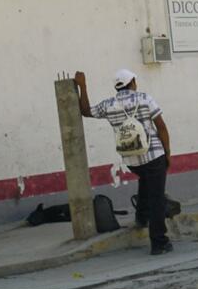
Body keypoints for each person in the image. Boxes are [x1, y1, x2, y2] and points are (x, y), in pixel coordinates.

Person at [74, 69, 174, 255]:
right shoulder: (144, 98)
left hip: (131, 159)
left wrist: (82, 86)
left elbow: (86, 111)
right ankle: (159, 242)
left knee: (145, 181)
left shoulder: (109, 104)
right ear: (133, 82)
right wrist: (167, 152)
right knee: (157, 198)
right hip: (153, 155)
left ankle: (141, 217)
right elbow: (161, 126)